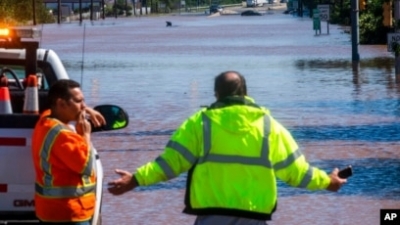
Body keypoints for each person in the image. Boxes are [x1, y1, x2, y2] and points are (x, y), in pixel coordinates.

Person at [108, 71, 347, 225]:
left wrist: (136, 179)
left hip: (211, 217)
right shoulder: (269, 127)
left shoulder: (199, 123)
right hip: (254, 218)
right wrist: (327, 181)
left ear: (216, 94)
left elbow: (170, 164)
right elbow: (297, 172)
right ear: (246, 93)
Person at [31, 79, 105, 224]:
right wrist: (85, 134)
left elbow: (48, 110)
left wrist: (85, 109)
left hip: (51, 211)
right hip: (69, 213)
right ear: (61, 104)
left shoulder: (45, 121)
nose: (83, 106)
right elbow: (86, 166)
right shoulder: (63, 135)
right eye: (78, 101)